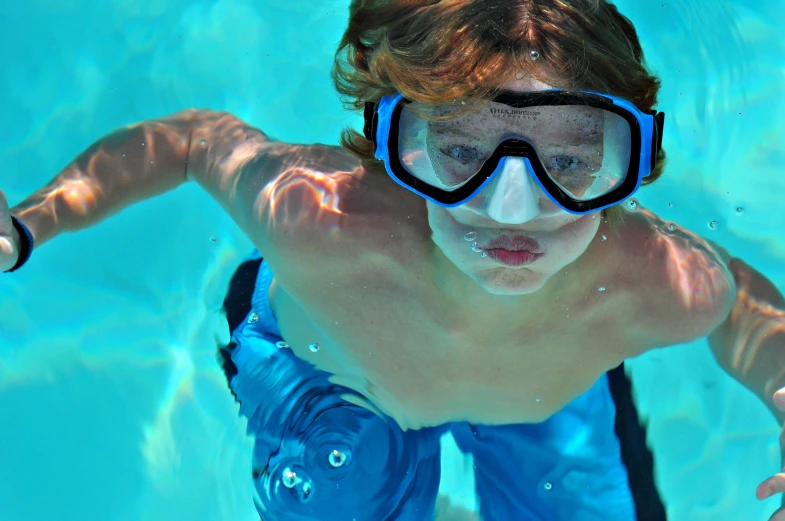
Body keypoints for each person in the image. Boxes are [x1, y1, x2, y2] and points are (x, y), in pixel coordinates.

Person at [3, 1, 785, 520]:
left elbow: (746, 310)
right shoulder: (321, 220)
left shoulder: (652, 280)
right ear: (392, 144)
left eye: (572, 162)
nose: (512, 208)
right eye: (459, 151)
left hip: (546, 397)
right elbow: (190, 141)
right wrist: (28, 223)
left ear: (630, 162)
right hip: (330, 378)